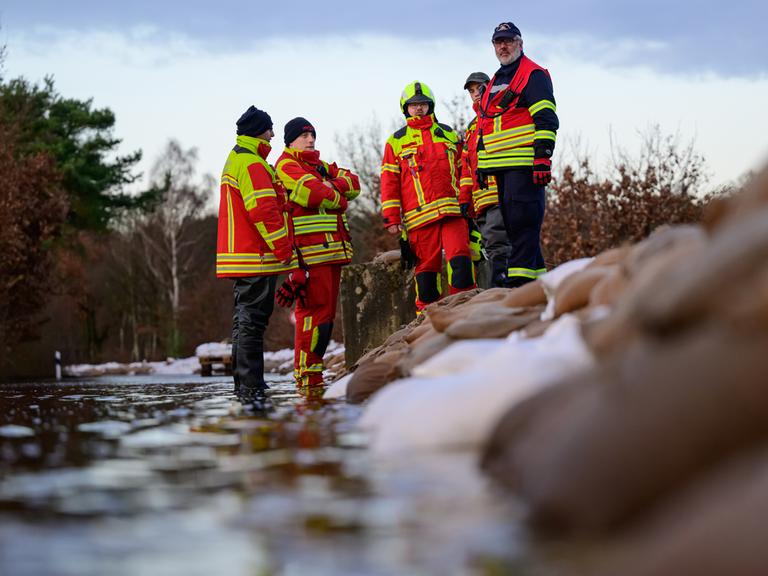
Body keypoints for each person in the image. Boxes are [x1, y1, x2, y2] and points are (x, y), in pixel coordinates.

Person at [275, 117, 360, 398]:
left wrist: (329, 184)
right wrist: (337, 192)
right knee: (311, 318)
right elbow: (315, 194)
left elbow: (355, 183)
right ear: (290, 140)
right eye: (303, 136)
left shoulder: (319, 167)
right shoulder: (287, 165)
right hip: (310, 256)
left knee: (325, 319)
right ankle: (306, 379)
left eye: (312, 135)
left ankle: (313, 380)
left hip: (332, 251)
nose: (310, 140)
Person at [216, 106, 296, 399]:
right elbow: (264, 212)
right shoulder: (252, 163)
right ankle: (251, 384)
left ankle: (245, 385)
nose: (273, 134)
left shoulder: (238, 158)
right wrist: (283, 247)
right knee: (252, 322)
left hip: (244, 255)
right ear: (259, 130)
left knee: (245, 322)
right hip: (256, 256)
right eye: (269, 129)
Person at [380, 80, 477, 311]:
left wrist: (468, 201)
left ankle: (466, 315)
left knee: (462, 264)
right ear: (405, 108)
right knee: (426, 278)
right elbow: (389, 181)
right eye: (413, 105)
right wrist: (391, 218)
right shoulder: (396, 141)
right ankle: (426, 327)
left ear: (430, 105)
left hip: (453, 213)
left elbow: (465, 170)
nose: (419, 108)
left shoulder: (449, 134)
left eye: (423, 103)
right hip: (419, 220)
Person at [476, 22, 559, 287]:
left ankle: (518, 289)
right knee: (515, 228)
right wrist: (481, 165)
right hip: (500, 167)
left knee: (523, 226)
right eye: (498, 42)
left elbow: (546, 118)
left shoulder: (532, 74)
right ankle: (540, 287)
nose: (503, 46)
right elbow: (485, 125)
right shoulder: (497, 79)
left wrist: (543, 158)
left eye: (508, 41)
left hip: (525, 165)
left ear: (520, 44)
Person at [459, 71, 511, 288]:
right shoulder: (471, 128)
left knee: (499, 245)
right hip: (480, 200)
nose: (475, 94)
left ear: (489, 87)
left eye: (478, 88)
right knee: (491, 246)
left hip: (498, 193)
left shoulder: (499, 115)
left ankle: (501, 291)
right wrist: (465, 200)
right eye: (471, 91)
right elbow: (466, 168)